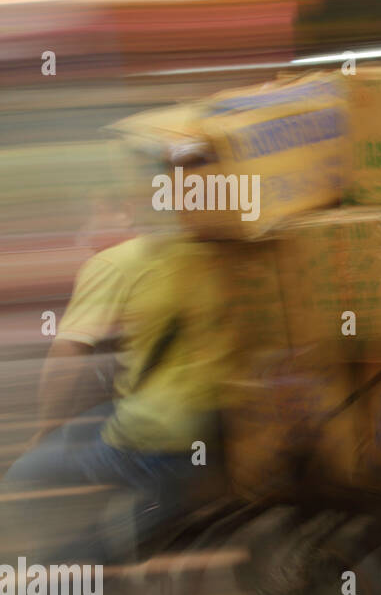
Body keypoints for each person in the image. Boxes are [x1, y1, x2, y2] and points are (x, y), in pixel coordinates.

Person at [2, 195, 231, 565]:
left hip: (165, 433)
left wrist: (44, 428)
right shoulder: (209, 253)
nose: (83, 235)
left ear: (125, 213)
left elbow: (67, 357)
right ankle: (140, 527)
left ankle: (66, 572)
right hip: (223, 428)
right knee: (105, 420)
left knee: (25, 474)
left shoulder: (114, 262)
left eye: (92, 218)